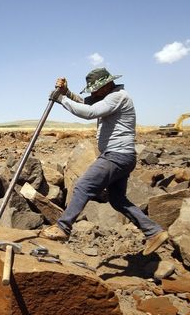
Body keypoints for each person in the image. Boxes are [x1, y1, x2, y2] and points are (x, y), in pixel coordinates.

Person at [39, 67, 168, 255]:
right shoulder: (109, 97)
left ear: (106, 85)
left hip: (116, 155)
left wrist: (61, 99)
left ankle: (62, 227)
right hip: (123, 156)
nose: (93, 92)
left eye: (95, 88)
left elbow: (90, 112)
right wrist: (66, 93)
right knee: (117, 199)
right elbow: (86, 103)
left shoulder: (118, 96)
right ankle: (154, 232)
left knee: (83, 185)